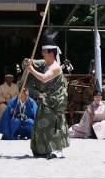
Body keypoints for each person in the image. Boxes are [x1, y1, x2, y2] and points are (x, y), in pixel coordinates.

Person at [23, 29, 69, 159]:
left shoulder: (55, 67)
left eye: (44, 51)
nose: (42, 53)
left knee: (52, 125)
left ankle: (55, 149)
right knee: (39, 125)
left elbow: (44, 78)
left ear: (51, 53)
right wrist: (28, 62)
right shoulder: (45, 63)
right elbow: (34, 62)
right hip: (44, 101)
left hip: (54, 101)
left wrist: (31, 70)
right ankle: (41, 150)